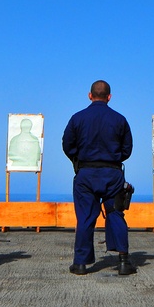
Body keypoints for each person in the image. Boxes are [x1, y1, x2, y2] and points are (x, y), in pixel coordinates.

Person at [62, 80, 136, 276]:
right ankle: (122, 261)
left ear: (90, 95)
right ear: (109, 97)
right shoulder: (120, 119)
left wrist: (79, 160)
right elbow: (127, 149)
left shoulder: (77, 118)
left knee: (85, 217)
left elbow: (67, 145)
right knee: (115, 213)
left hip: (86, 174)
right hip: (112, 174)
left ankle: (80, 264)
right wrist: (113, 160)